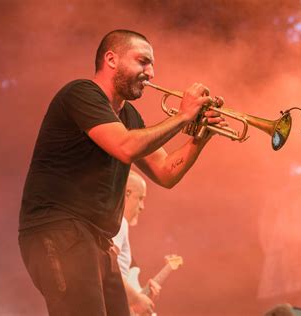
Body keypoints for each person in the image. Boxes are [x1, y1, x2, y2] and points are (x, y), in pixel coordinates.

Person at [18, 29, 224, 316]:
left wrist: (199, 139)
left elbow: (165, 173)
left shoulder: (128, 115)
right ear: (111, 59)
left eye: (152, 65)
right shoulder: (81, 94)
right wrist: (183, 116)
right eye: (142, 61)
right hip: (59, 229)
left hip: (99, 242)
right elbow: (125, 147)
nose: (150, 73)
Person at [112, 170, 160, 315]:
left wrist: (140, 295)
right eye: (140, 198)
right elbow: (108, 265)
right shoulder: (119, 222)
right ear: (126, 194)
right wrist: (136, 299)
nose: (142, 206)